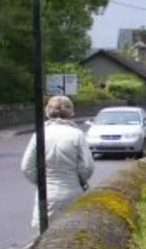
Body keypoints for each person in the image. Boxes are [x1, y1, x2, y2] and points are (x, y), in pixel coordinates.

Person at [21, 95, 95, 228]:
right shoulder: (77, 134)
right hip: (71, 192)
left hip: (46, 194)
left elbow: (27, 167)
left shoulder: (39, 134)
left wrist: (41, 182)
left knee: (45, 239)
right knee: (70, 235)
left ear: (48, 111)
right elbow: (87, 166)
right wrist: (78, 181)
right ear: (71, 112)